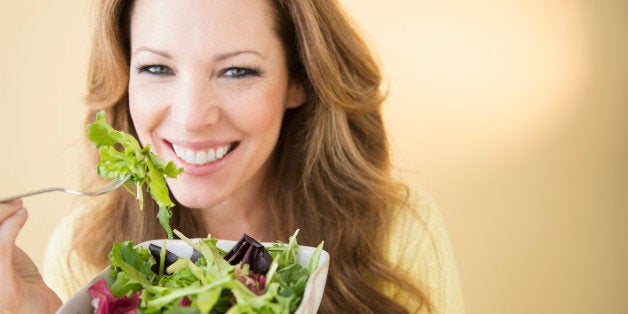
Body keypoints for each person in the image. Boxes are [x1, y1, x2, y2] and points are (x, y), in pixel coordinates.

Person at [0, 0, 464, 313]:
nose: (192, 117)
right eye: (156, 68)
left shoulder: (397, 230)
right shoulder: (81, 252)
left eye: (237, 71)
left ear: (300, 81)